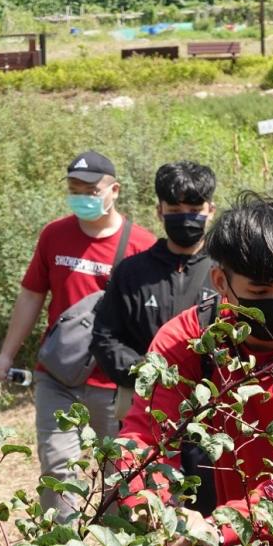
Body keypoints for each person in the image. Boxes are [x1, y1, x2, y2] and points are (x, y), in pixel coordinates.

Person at [117, 192, 273, 546]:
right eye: (259, 290)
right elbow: (144, 438)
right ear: (221, 282)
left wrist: (225, 528)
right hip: (201, 534)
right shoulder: (188, 338)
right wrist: (160, 508)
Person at [0, 150, 156, 520]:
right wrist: (6, 354)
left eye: (91, 189)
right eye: (74, 187)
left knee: (119, 474)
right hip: (58, 375)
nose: (82, 195)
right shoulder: (54, 235)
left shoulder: (141, 246)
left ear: (115, 190)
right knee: (56, 467)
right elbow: (32, 294)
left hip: (113, 383)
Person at [91, 161, 217, 421]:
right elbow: (105, 338)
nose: (185, 217)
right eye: (175, 209)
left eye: (194, 209)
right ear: (160, 211)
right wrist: (144, 370)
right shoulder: (131, 272)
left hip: (213, 409)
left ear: (211, 210)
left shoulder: (226, 273)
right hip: (144, 407)